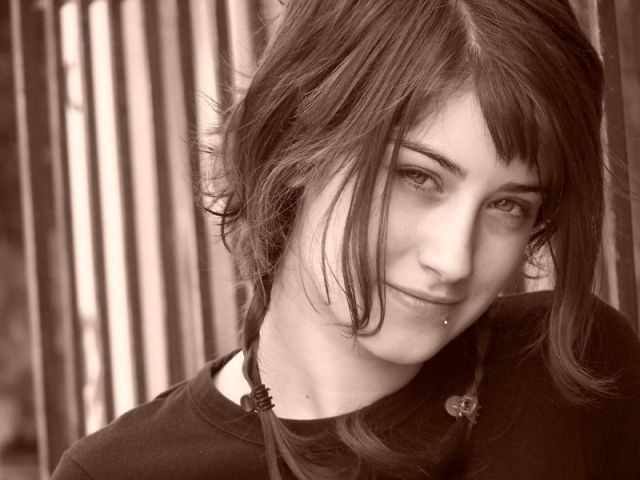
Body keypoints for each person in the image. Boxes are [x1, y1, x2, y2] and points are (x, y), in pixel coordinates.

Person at [52, 0, 640, 479]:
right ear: (297, 144)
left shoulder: (576, 377)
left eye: (508, 205)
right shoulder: (119, 473)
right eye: (416, 176)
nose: (453, 259)